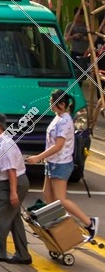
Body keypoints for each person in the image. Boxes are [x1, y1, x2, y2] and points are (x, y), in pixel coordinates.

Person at [25, 90, 96, 239]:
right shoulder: (58, 118)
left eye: (52, 102)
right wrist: (45, 158)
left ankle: (89, 223)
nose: (50, 104)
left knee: (60, 199)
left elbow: (59, 145)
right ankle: (53, 226)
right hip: (52, 162)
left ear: (62, 104)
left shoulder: (65, 120)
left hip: (61, 163)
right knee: (47, 195)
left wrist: (38, 157)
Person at [0, 112, 30, 264]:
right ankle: (23, 255)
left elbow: (11, 170)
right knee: (13, 219)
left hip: (13, 184)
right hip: (7, 185)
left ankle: (0, 253)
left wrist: (13, 193)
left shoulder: (5, 145)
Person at [66, 8, 91, 79]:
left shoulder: (86, 26)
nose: (79, 18)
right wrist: (73, 36)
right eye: (78, 16)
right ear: (74, 15)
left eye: (81, 16)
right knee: (75, 72)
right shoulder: (70, 25)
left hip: (85, 53)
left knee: (84, 73)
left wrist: (85, 38)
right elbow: (66, 38)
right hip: (74, 51)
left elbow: (92, 39)